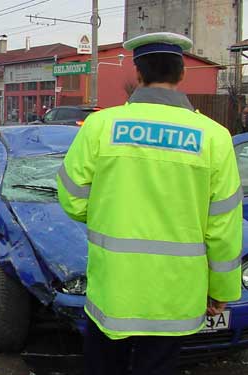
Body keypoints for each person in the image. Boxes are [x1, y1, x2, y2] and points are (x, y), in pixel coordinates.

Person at [57, 32, 242, 375]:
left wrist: (107, 215)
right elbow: (223, 225)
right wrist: (222, 289)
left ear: (137, 74)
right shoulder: (214, 136)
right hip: (175, 294)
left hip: (114, 288)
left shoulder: (100, 126)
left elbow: (71, 196)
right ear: (182, 74)